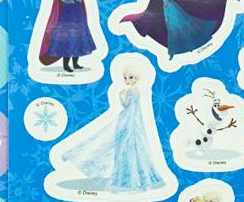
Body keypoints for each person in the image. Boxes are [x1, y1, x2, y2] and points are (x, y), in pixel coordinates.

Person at [55, 65, 170, 193]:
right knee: (130, 148)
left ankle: (129, 179)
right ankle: (132, 179)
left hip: (129, 120)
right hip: (132, 120)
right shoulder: (136, 91)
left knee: (125, 147)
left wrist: (121, 95)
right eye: (125, 78)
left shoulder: (131, 91)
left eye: (130, 77)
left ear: (136, 78)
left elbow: (126, 105)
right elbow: (130, 107)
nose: (127, 80)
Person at [120, 0, 240, 59]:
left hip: (174, 9)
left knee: (185, 25)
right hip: (166, 11)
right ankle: (173, 51)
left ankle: (193, 44)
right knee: (172, 30)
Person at [38, 0, 97, 72]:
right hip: (67, 14)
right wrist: (66, 0)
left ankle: (75, 63)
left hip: (78, 13)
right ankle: (66, 65)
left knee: (78, 37)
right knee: (67, 38)